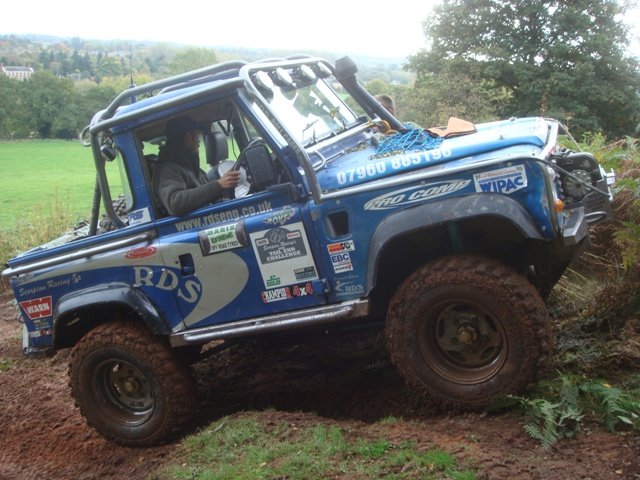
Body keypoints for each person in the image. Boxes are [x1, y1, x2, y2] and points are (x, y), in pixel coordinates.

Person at [153, 116, 240, 216]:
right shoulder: (168, 170)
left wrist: (225, 183)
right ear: (188, 137)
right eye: (197, 135)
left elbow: (208, 193)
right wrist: (218, 185)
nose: (199, 141)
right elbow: (175, 203)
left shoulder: (190, 167)